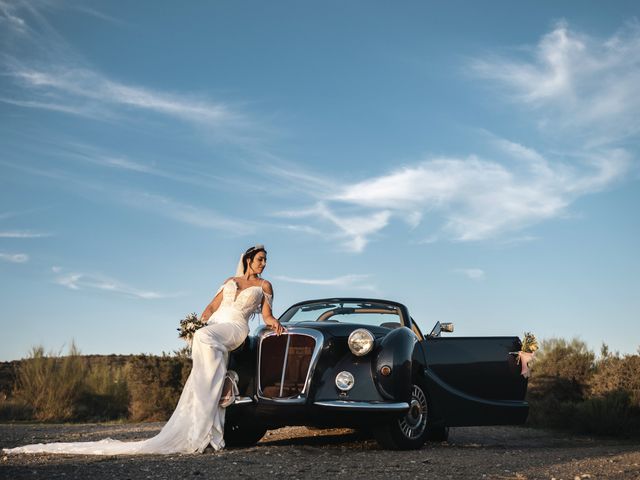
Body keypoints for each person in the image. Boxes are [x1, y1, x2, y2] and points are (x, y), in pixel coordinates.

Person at [3, 244, 285, 455]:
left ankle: (220, 387)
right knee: (204, 342)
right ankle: (217, 404)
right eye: (261, 259)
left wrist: (275, 325)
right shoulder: (229, 282)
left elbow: (267, 314)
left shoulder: (263, 285)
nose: (264, 264)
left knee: (205, 338)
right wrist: (195, 323)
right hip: (214, 325)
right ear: (248, 260)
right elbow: (211, 308)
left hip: (234, 328)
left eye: (266, 261)